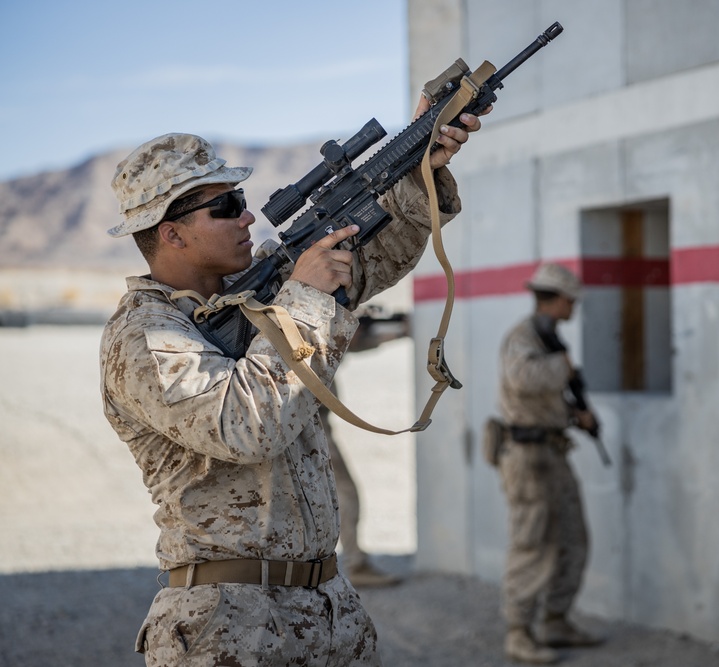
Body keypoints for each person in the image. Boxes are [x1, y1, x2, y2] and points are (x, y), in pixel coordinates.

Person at [99, 97, 484, 666]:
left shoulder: (255, 293)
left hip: (324, 608)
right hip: (227, 627)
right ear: (172, 235)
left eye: (243, 202)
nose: (247, 218)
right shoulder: (144, 336)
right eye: (226, 207)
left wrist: (419, 175)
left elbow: (376, 259)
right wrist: (303, 298)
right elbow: (246, 426)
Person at [495, 263, 604, 664]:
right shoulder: (525, 337)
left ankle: (555, 621)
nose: (573, 307)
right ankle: (519, 632)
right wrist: (565, 370)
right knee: (532, 544)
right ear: (555, 300)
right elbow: (522, 379)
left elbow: (540, 399)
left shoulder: (548, 336)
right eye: (570, 300)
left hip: (552, 453)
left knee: (573, 539)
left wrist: (576, 415)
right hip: (528, 457)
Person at [320, 307, 410, 588]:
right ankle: (355, 563)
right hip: (311, 427)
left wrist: (395, 334)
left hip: (310, 425)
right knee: (345, 494)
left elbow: (356, 345)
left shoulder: (317, 333)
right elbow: (353, 343)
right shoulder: (319, 335)